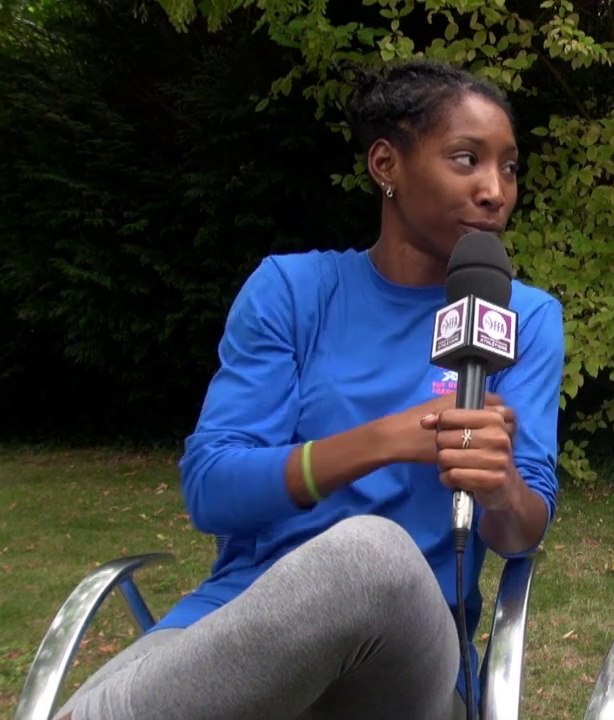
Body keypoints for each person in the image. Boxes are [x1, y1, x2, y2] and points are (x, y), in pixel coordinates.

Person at [55, 59, 563, 720]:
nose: (496, 190)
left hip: (407, 660)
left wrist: (503, 490)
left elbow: (522, 532)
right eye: (466, 159)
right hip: (239, 631)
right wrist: (384, 440)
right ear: (386, 165)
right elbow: (212, 488)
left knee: (373, 553)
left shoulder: (524, 317)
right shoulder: (293, 292)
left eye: (510, 167)